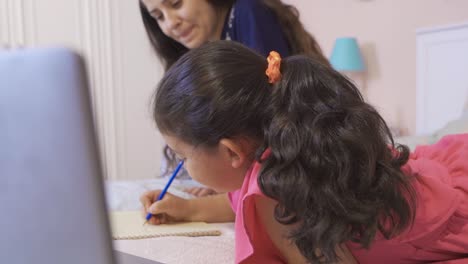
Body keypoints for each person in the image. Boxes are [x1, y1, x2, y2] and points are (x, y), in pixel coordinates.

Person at [140, 41, 468, 263]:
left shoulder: (278, 193)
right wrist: (188, 210)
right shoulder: (279, 157)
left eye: (182, 156)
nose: (180, 166)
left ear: (231, 152)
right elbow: (237, 201)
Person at [139, 0, 330, 196]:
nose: (170, 23)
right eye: (158, 17)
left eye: (176, 3)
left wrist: (211, 195)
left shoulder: (248, 13)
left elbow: (270, 131)